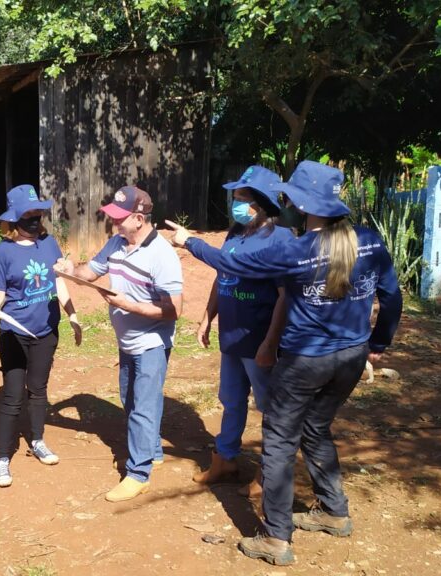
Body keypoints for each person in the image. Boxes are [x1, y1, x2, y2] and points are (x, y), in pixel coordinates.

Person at [166, 160, 402, 566]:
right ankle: (334, 511)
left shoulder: (296, 251)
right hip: (351, 356)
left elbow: (233, 266)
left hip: (305, 361)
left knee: (278, 442)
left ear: (301, 202)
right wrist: (377, 344)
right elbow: (392, 298)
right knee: (316, 429)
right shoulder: (369, 240)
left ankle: (275, 538)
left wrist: (190, 241)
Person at [54, 185, 183, 502]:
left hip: (152, 341)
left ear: (138, 218)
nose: (112, 223)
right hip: (126, 341)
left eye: (119, 218)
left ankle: (138, 474)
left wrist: (131, 306)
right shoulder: (116, 242)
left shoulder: (161, 255)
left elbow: (175, 310)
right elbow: (91, 271)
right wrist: (72, 272)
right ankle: (152, 451)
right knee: (131, 399)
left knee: (142, 407)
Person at [191, 166, 293, 500]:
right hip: (231, 338)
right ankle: (226, 461)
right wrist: (208, 316)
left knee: (269, 409)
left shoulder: (281, 240)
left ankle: (269, 473)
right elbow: (223, 277)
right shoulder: (235, 234)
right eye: (236, 197)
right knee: (231, 400)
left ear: (262, 203)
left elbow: (285, 296)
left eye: (244, 198)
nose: (237, 204)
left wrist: (270, 343)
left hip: (259, 340)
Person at [0, 185, 82, 487]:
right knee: (13, 395)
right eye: (28, 214)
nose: (35, 218)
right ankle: (1, 458)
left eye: (37, 212)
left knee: (38, 390)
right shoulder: (4, 251)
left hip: (46, 331)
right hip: (15, 333)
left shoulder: (49, 243)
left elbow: (59, 283)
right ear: (14, 219)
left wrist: (73, 315)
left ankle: (37, 440)